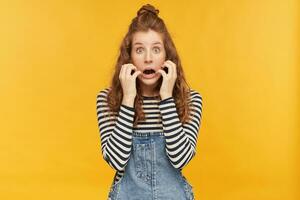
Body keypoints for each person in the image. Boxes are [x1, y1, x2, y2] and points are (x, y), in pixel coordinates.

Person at [96, 4, 203, 200]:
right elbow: (116, 161)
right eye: (139, 50)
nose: (148, 58)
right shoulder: (107, 100)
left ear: (167, 56)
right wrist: (128, 99)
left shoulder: (191, 100)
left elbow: (181, 159)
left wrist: (167, 98)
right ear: (129, 57)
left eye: (156, 49)